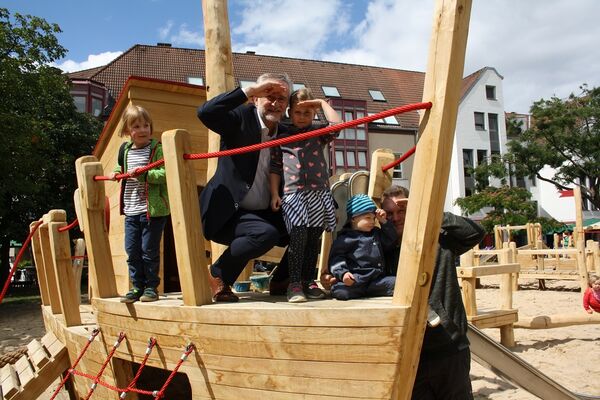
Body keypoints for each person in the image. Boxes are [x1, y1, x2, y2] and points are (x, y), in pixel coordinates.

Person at [381, 184, 485, 400]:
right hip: (411, 354)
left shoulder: (439, 239)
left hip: (450, 347)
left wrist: (428, 211)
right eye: (390, 213)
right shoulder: (380, 250)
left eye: (402, 211)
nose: (396, 217)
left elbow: (476, 233)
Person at [197, 73, 292, 302]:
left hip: (265, 211)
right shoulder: (240, 118)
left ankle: (282, 280)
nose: (275, 103)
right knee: (264, 234)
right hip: (228, 213)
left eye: (282, 99)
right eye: (269, 95)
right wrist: (248, 90)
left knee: (309, 222)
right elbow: (205, 113)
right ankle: (218, 275)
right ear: (256, 99)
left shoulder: (287, 132)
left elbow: (326, 132)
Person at [269, 88, 341, 302]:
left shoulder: (319, 132)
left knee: (313, 238)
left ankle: (309, 280)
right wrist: (274, 193)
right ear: (290, 112)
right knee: (299, 236)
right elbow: (275, 167)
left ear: (314, 114)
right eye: (298, 112)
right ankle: (294, 284)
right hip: (294, 193)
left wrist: (320, 102)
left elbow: (337, 126)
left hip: (319, 192)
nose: (302, 118)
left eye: (307, 113)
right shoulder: (281, 134)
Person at [109, 105, 170, 303]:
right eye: (136, 126)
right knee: (132, 250)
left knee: (148, 250)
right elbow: (121, 166)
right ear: (128, 131)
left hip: (151, 210)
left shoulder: (157, 149)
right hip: (131, 209)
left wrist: (144, 174)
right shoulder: (125, 150)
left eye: (146, 125)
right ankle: (137, 286)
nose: (142, 130)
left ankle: (151, 287)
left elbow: (164, 174)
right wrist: (116, 173)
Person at [328, 194, 398, 300]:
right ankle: (354, 290)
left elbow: (391, 241)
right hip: (356, 280)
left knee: (398, 283)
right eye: (367, 218)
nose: (372, 221)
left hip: (377, 280)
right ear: (353, 219)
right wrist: (343, 274)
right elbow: (336, 259)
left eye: (374, 218)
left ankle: (370, 291)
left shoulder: (376, 234)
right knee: (341, 291)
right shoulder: (345, 239)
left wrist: (384, 222)